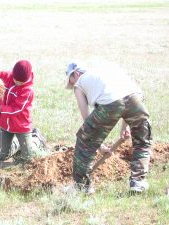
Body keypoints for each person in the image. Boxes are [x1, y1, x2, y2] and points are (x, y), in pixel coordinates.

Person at [65, 61, 152, 193]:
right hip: (136, 99)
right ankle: (138, 182)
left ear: (76, 74)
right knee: (142, 140)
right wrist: (124, 127)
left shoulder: (79, 83)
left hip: (111, 104)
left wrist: (98, 145)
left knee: (84, 141)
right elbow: (126, 97)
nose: (71, 85)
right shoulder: (107, 68)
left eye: (70, 81)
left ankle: (81, 186)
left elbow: (88, 125)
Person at [0, 56, 47, 162]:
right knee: (2, 156)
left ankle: (36, 139)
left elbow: (16, 109)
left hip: (20, 126)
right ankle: (17, 144)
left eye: (20, 82)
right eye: (15, 80)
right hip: (5, 125)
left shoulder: (28, 91)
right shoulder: (8, 77)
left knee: (28, 158)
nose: (17, 83)